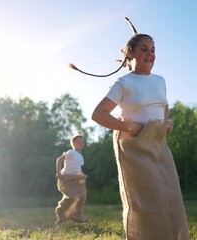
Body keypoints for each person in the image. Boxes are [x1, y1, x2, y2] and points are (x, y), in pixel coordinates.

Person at [71, 18, 189, 239]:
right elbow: (99, 114)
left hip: (158, 143)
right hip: (134, 145)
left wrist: (165, 123)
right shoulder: (123, 83)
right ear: (129, 53)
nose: (150, 54)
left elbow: (163, 106)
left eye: (153, 50)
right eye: (144, 49)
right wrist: (129, 127)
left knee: (168, 193)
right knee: (144, 198)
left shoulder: (160, 80)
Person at [55, 134, 89, 224]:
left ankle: (77, 215)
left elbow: (78, 169)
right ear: (73, 143)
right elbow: (59, 160)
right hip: (66, 178)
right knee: (72, 197)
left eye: (82, 142)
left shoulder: (81, 156)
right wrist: (58, 173)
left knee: (82, 197)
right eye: (79, 142)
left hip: (75, 179)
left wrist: (83, 175)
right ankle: (61, 212)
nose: (81, 144)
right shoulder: (71, 152)